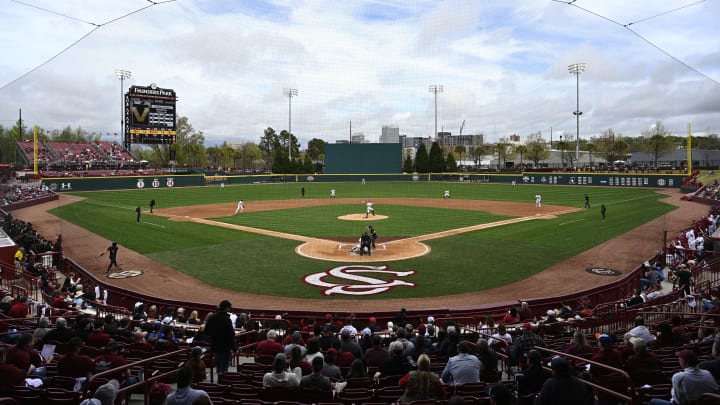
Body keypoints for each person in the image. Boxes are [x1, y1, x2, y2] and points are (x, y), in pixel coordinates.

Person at [649, 349, 719, 404]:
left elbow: (677, 401)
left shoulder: (678, 377)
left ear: (683, 362)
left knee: (653, 401)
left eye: (679, 359)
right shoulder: (707, 373)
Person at [204, 300, 235, 375]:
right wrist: (234, 347)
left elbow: (206, 331)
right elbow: (230, 335)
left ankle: (219, 382)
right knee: (224, 368)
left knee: (218, 365)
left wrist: (214, 337)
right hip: (225, 347)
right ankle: (221, 383)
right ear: (226, 308)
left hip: (215, 345)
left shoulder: (212, 317)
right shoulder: (227, 319)